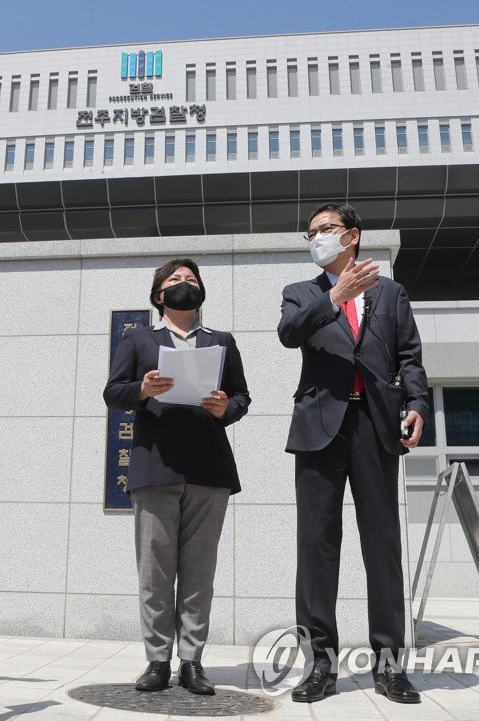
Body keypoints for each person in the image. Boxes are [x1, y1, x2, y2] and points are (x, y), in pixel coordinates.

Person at [278, 203, 429, 705]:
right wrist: (336, 296)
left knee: (382, 546)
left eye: (326, 229)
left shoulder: (390, 293)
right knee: (317, 548)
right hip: (320, 428)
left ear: (353, 236)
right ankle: (320, 664)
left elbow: (409, 355)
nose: (317, 237)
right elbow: (290, 334)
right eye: (311, 233)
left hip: (376, 426)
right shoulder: (301, 294)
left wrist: (417, 404)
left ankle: (389, 665)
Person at [103, 259, 251, 696]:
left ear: (201, 291)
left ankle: (192, 661)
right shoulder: (139, 340)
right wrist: (142, 390)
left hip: (209, 469)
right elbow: (113, 392)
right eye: (174, 280)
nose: (184, 285)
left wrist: (229, 408)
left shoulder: (221, 341)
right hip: (155, 467)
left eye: (191, 280)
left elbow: (242, 395)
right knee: (155, 573)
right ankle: (156, 660)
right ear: (158, 296)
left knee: (199, 572)